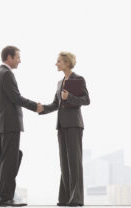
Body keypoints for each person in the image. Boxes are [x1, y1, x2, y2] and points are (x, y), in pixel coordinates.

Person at [0, 46, 44, 207]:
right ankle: (6, 198)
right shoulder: (6, 74)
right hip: (10, 124)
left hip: (2, 123)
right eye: (17, 57)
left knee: (2, 162)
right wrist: (36, 106)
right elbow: (16, 98)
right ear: (9, 57)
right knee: (9, 162)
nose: (20, 60)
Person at [39, 52, 90, 207]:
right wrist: (42, 109)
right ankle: (65, 198)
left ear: (67, 63)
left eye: (59, 61)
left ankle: (76, 199)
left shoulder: (78, 79)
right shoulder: (59, 83)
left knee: (74, 161)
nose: (56, 64)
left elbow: (86, 100)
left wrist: (71, 98)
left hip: (74, 125)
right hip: (61, 125)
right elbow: (56, 104)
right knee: (64, 162)